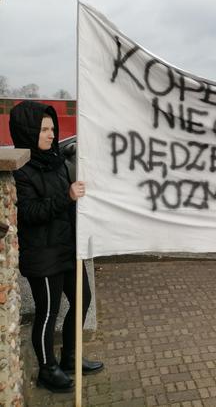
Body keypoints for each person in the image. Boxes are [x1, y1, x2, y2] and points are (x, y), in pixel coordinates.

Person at [9, 101, 103, 394]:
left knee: (82, 301)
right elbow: (30, 213)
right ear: (28, 131)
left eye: (52, 128)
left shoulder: (57, 161)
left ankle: (71, 358)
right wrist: (67, 196)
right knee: (48, 312)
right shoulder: (21, 171)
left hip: (67, 249)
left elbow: (69, 202)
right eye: (44, 129)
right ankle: (48, 369)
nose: (51, 135)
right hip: (43, 254)